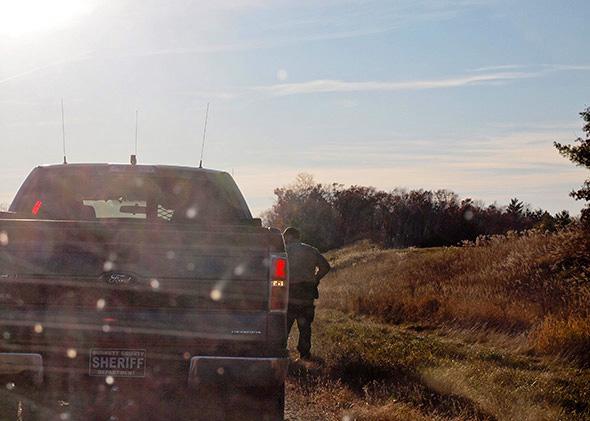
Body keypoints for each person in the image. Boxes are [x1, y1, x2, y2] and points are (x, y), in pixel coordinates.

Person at [283, 227, 331, 360]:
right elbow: (326, 267)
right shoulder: (311, 250)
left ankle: (281, 350)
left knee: (285, 322)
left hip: (290, 290)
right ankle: (304, 354)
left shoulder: (285, 251)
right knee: (305, 325)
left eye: (285, 237)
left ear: (289, 237)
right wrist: (315, 278)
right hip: (308, 291)